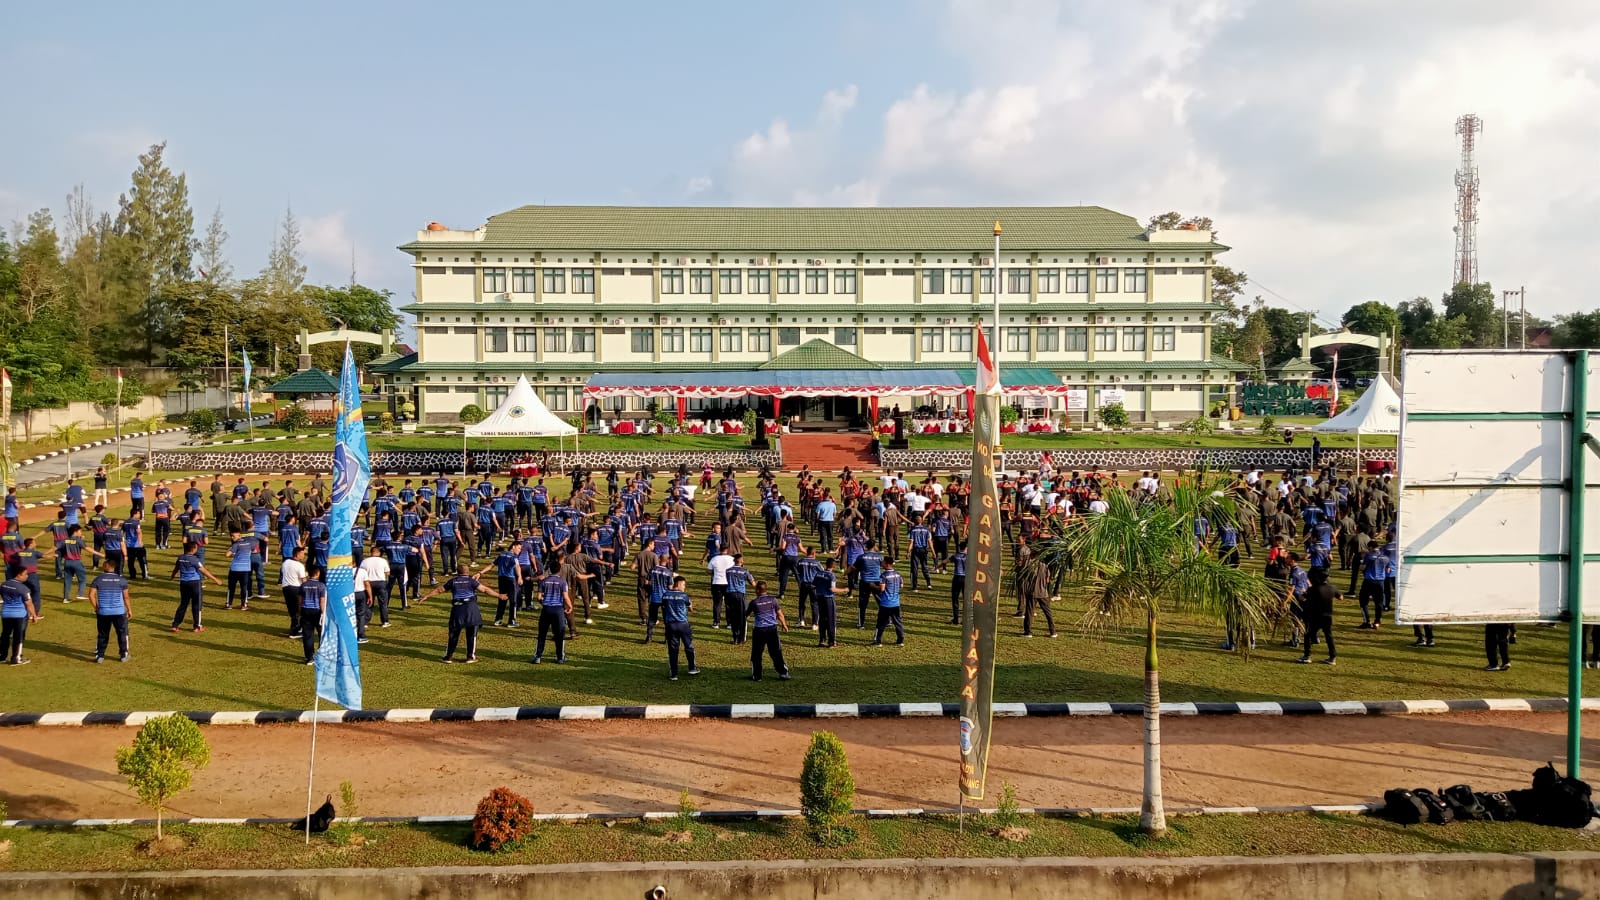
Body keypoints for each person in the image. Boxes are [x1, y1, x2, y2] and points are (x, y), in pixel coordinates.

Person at [422, 562, 489, 663]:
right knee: (471, 634)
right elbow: (485, 590)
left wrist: (427, 596)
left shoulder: (453, 581)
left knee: (454, 634)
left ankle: (448, 657)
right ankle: (470, 657)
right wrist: (499, 595)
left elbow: (439, 590)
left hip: (457, 609)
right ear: (468, 571)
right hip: (471, 609)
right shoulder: (471, 581)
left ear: (458, 572)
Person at [170, 540, 221, 632]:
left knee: (183, 604)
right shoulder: (194, 559)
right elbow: (203, 570)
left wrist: (172, 576)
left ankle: (175, 625)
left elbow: (176, 568)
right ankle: (197, 626)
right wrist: (215, 579)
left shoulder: (180, 558)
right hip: (195, 583)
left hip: (184, 583)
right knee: (197, 604)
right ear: (193, 549)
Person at [88, 559, 132, 663]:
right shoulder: (121, 580)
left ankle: (100, 656)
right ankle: (123, 655)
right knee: (122, 633)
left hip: (103, 612)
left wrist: (96, 607)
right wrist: (129, 609)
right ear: (114, 567)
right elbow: (126, 597)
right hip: (119, 612)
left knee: (103, 634)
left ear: (104, 567)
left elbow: (91, 595)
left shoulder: (98, 579)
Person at [745, 580, 790, 681]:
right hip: (772, 630)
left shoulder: (754, 602)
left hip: (759, 631)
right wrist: (784, 624)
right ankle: (783, 673)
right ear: (766, 589)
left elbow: (746, 615)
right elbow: (779, 614)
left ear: (757, 590)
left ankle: (757, 676)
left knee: (756, 653)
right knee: (776, 652)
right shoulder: (773, 600)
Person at [660, 575, 699, 681]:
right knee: (689, 646)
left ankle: (674, 673)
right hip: (683, 624)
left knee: (673, 649)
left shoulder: (665, 595)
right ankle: (692, 667)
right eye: (684, 585)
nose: (684, 587)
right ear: (679, 584)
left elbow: (663, 607)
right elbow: (690, 608)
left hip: (671, 625)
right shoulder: (684, 595)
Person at [1297, 567, 1338, 665]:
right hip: (1328, 615)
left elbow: (1302, 598)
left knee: (1308, 635)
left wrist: (1303, 592)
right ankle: (1332, 657)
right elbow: (1340, 597)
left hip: (1316, 616)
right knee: (1329, 636)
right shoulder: (1331, 587)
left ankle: (1307, 656)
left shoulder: (1314, 589)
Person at [532, 566, 572, 664]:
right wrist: (570, 606)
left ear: (550, 570)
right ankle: (560, 657)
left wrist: (544, 603)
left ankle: (538, 657)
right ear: (559, 570)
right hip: (558, 610)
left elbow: (538, 597)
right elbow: (565, 597)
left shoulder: (544, 581)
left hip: (546, 609)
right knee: (560, 634)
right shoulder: (562, 582)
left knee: (542, 634)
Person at [0, 569, 41, 665]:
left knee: (5, 635)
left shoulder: (4, 584)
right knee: (19, 637)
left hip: (6, 614)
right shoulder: (23, 589)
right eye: (25, 574)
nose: (27, 576)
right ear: (19, 574)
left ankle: (2, 656)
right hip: (20, 615)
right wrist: (34, 615)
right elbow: (29, 603)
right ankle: (16, 658)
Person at [871, 558, 905, 646]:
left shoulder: (884, 575)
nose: (882, 563)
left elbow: (882, 589)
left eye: (883, 562)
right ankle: (900, 640)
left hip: (886, 603)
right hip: (896, 603)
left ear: (887, 564)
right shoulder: (898, 574)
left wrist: (873, 586)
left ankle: (877, 641)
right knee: (898, 622)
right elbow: (901, 585)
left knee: (881, 623)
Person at [298, 567, 328, 664]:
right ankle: (322, 655)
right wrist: (324, 613)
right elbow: (322, 601)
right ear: (317, 573)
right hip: (317, 611)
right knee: (321, 633)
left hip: (305, 610)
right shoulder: (321, 586)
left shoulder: (303, 585)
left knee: (307, 635)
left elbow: (300, 600)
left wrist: (300, 611)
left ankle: (309, 657)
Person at [358, 545, 393, 629]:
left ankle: (365, 621)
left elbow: (361, 572)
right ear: (378, 553)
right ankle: (385, 621)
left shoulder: (364, 561)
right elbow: (388, 572)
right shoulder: (383, 561)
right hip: (381, 583)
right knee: (383, 604)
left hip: (369, 583)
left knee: (369, 602)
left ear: (371, 552)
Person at [280, 545, 309, 639]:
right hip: (296, 589)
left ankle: (293, 628)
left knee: (292, 610)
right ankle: (295, 631)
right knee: (298, 610)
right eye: (303, 554)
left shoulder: (285, 562)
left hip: (286, 588)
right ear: (297, 554)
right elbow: (303, 580)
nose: (304, 556)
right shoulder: (299, 566)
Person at [225, 528, 256, 610]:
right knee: (244, 588)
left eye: (233, 536)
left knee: (231, 587)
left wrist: (230, 549)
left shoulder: (235, 545)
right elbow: (254, 549)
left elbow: (227, 555)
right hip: (245, 569)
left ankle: (229, 604)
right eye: (231, 536)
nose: (232, 537)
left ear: (239, 535)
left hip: (234, 569)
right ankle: (243, 605)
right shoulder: (249, 543)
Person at [724, 553, 752, 645]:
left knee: (733, 617)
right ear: (742, 561)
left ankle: (735, 638)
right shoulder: (745, 571)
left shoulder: (728, 571)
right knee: (742, 617)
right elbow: (752, 582)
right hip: (740, 595)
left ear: (734, 561)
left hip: (730, 594)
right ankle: (741, 638)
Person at [813, 557, 839, 649]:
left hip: (820, 597)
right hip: (828, 598)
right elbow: (832, 589)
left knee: (822, 619)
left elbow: (814, 584)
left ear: (825, 564)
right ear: (834, 566)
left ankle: (822, 640)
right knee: (831, 620)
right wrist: (844, 589)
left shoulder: (818, 573)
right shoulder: (831, 576)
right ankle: (831, 642)